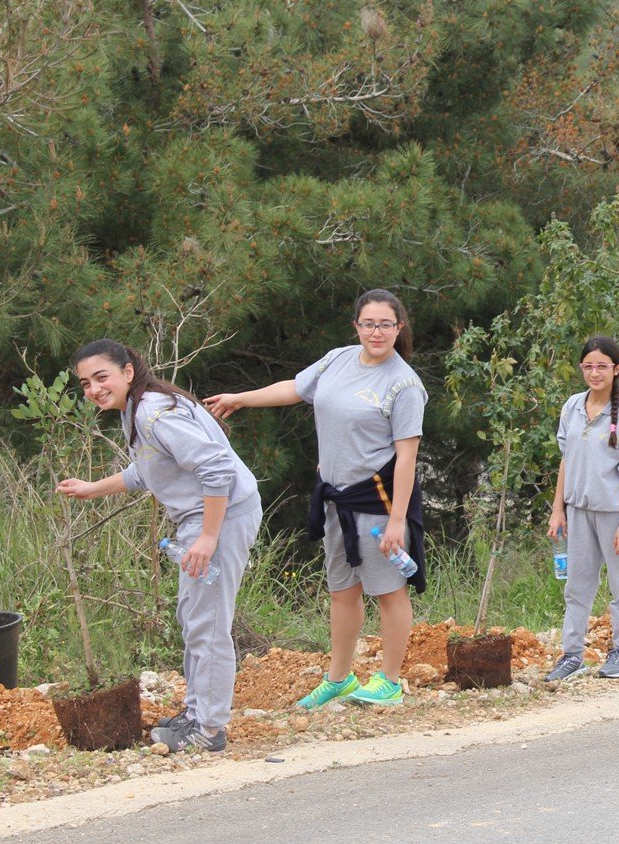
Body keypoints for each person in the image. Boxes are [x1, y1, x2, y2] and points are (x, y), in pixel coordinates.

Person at [205, 289, 426, 709]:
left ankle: (390, 681)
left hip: (377, 501)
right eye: (368, 324)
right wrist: (240, 399)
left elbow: (407, 457)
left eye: (385, 324)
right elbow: (295, 388)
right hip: (334, 499)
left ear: (399, 328)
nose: (376, 332)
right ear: (356, 326)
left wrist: (398, 520)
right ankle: (339, 678)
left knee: (388, 590)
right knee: (342, 590)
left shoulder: (404, 385)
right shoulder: (338, 359)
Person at [57, 340, 263, 754]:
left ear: (127, 371)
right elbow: (148, 470)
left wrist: (208, 537)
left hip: (220, 517)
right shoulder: (139, 408)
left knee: (207, 623)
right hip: (205, 518)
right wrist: (93, 488)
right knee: (193, 617)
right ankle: (197, 712)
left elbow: (216, 468)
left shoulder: (152, 412)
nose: (94, 389)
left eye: (101, 377)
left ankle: (209, 729)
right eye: (85, 383)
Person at [545, 337, 619, 682]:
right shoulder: (572, 407)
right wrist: (558, 509)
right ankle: (572, 654)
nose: (594, 373)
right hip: (578, 510)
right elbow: (566, 459)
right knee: (577, 585)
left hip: (614, 513)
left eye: (602, 366)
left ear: (616, 369)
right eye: (588, 366)